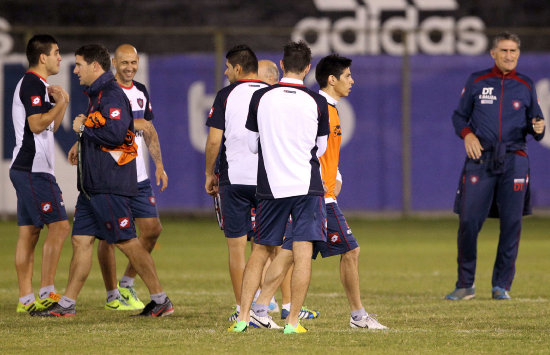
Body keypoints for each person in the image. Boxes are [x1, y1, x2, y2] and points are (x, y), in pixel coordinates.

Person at [31, 44, 173, 317]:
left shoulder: (111, 94)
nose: (74, 70)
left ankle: (160, 299)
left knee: (127, 241)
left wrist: (84, 128)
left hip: (108, 184)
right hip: (90, 187)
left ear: (95, 67)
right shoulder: (98, 94)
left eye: (79, 64)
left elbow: (118, 135)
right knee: (81, 241)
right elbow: (102, 129)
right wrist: (81, 141)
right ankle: (67, 304)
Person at [230, 41, 330, 334]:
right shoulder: (317, 101)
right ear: (308, 69)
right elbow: (321, 149)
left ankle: (243, 318)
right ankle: (292, 323)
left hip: (271, 185)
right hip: (305, 186)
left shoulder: (261, 97)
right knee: (302, 252)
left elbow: (251, 145)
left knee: (260, 250)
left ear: (282, 65)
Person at [446, 32, 545, 301]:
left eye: (514, 51)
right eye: (504, 50)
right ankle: (465, 284)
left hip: (515, 160)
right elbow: (459, 117)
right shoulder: (477, 81)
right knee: (468, 222)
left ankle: (501, 286)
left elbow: (535, 124)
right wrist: (467, 134)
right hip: (480, 160)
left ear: (519, 54)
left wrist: (539, 127)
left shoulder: (525, 84)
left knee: (512, 224)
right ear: (493, 53)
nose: (509, 56)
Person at [95, 44, 168, 311]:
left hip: (138, 176)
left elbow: (149, 129)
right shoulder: (104, 92)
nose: (129, 68)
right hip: (112, 176)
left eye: (133, 63)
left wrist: (159, 165)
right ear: (114, 62)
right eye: (124, 63)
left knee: (152, 230)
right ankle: (112, 293)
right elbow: (94, 126)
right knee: (108, 237)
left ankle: (126, 283)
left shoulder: (141, 91)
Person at [204, 45, 269, 321]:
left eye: (228, 68)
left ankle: (241, 309)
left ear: (238, 68)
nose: (226, 72)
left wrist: (209, 173)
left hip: (233, 179)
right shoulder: (269, 95)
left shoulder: (225, 96)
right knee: (266, 245)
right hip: (267, 181)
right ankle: (263, 306)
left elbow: (215, 140)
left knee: (236, 247)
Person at [9, 34, 71, 313]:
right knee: (59, 226)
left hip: (29, 168)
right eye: (57, 52)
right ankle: (47, 293)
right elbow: (36, 125)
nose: (60, 57)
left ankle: (26, 300)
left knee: (30, 232)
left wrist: (63, 103)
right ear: (42, 57)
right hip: (33, 169)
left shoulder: (40, 85)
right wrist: (60, 103)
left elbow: (51, 127)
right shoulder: (33, 83)